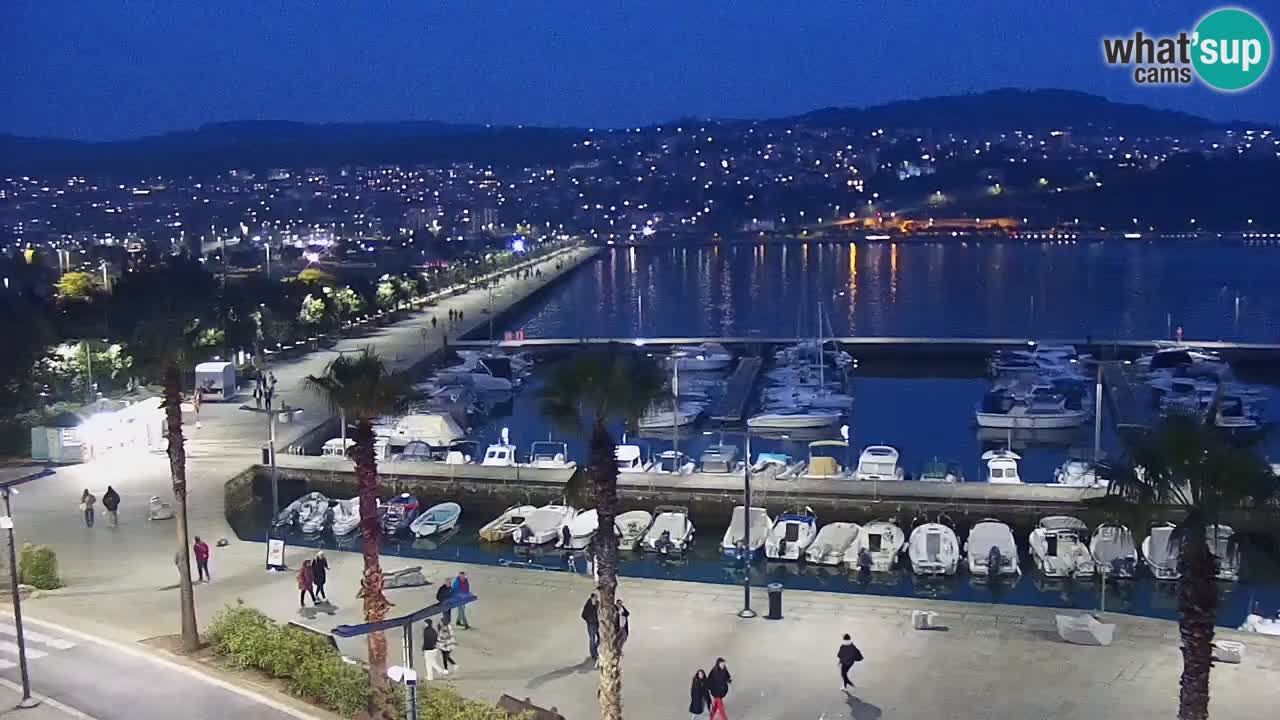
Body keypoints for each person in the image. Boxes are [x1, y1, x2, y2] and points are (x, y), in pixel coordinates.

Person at [581, 593, 600, 661]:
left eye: (597, 597)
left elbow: (600, 612)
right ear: (592, 597)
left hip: (597, 623)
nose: (597, 598)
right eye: (595, 597)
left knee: (600, 638)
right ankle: (594, 655)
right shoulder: (588, 604)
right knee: (592, 639)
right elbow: (583, 615)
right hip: (591, 624)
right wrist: (588, 621)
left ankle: (594, 649)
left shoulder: (598, 603)